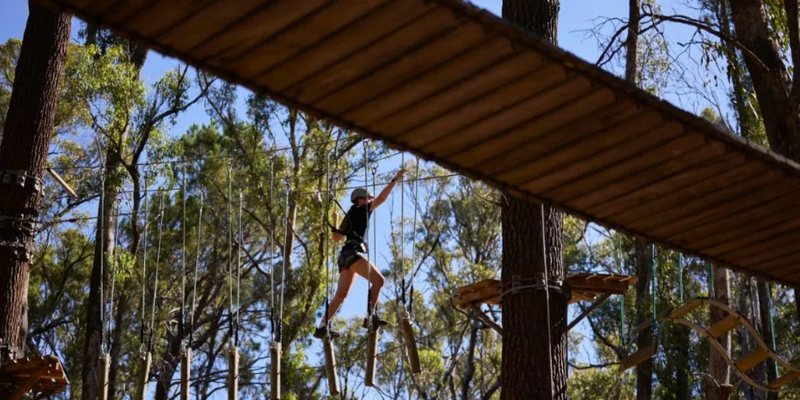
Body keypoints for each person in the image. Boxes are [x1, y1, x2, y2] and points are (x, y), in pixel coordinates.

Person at [314, 168, 405, 339]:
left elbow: (335, 237)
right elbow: (382, 199)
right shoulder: (362, 209)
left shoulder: (349, 215)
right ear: (362, 200)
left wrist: (335, 220)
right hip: (353, 253)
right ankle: (371, 316)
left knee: (341, 295)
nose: (371, 202)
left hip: (344, 256)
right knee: (379, 281)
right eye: (369, 199)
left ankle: (321, 327)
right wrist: (395, 179)